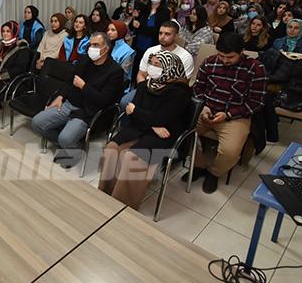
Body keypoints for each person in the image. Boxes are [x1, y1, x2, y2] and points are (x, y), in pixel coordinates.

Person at [99, 51, 191, 209]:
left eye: (158, 65)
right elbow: (132, 113)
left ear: (170, 67)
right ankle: (104, 193)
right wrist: (152, 123)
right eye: (151, 64)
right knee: (112, 148)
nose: (152, 68)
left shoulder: (179, 93)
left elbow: (157, 117)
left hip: (164, 135)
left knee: (132, 157)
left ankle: (122, 205)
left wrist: (138, 112)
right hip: (143, 127)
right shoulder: (145, 85)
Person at [189, 34, 267, 193]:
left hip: (234, 116)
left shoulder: (255, 69)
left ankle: (214, 173)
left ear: (242, 51)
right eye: (221, 56)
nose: (225, 60)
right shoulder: (209, 62)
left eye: (230, 57)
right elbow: (198, 88)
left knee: (230, 151)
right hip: (207, 110)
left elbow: (256, 102)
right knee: (182, 134)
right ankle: (199, 165)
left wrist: (229, 114)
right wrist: (204, 106)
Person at [32, 33, 124, 168]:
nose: (91, 48)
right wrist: (60, 96)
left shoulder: (115, 71)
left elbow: (104, 100)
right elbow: (69, 81)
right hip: (68, 103)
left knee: (65, 138)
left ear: (106, 48)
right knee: (37, 123)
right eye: (90, 45)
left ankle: (72, 149)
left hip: (87, 111)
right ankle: (68, 143)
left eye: (96, 45)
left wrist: (83, 86)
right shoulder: (84, 60)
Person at [120, 20, 193, 108]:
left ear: (176, 36)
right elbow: (141, 74)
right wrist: (143, 90)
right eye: (160, 33)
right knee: (124, 102)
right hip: (147, 88)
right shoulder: (151, 50)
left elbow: (182, 84)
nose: (162, 37)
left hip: (168, 95)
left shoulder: (185, 56)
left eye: (167, 34)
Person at [130, 0, 171, 64]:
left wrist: (140, 26)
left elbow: (158, 30)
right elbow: (132, 27)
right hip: (138, 46)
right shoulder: (144, 9)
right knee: (136, 69)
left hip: (153, 48)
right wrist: (134, 20)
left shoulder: (165, 12)